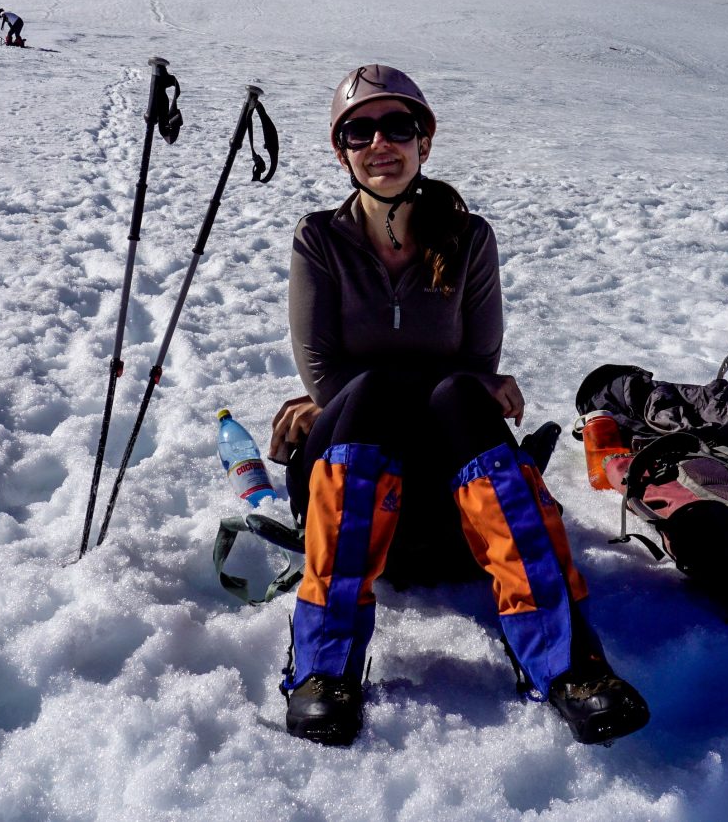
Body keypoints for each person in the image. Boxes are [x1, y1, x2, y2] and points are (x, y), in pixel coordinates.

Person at [267, 65, 649, 747]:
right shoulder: (319, 239)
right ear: (340, 150)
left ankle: (569, 667)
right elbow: (326, 376)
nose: (379, 142)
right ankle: (324, 671)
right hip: (350, 485)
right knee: (378, 393)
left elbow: (475, 366)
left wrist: (454, 387)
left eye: (398, 126)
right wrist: (395, 390)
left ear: (425, 141)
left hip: (450, 506)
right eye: (359, 130)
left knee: (455, 394)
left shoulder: (468, 239)